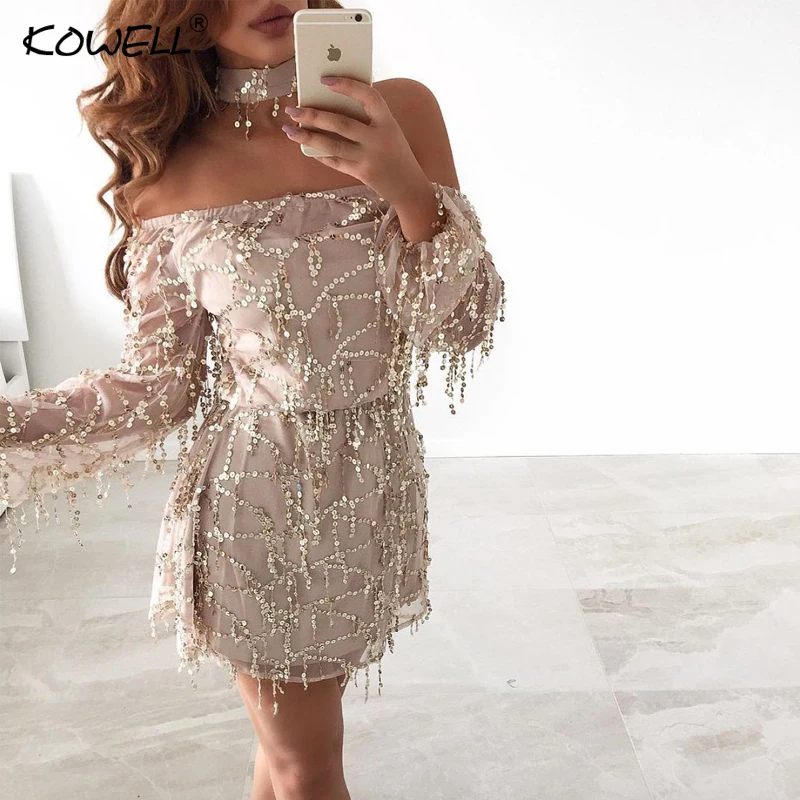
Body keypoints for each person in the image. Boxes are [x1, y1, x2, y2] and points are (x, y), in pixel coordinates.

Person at [0, 1, 506, 798]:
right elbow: (157, 388)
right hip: (252, 503)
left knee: (287, 755)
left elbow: (462, 321)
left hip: (373, 492)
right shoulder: (168, 169)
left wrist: (403, 185)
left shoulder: (400, 111)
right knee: (308, 765)